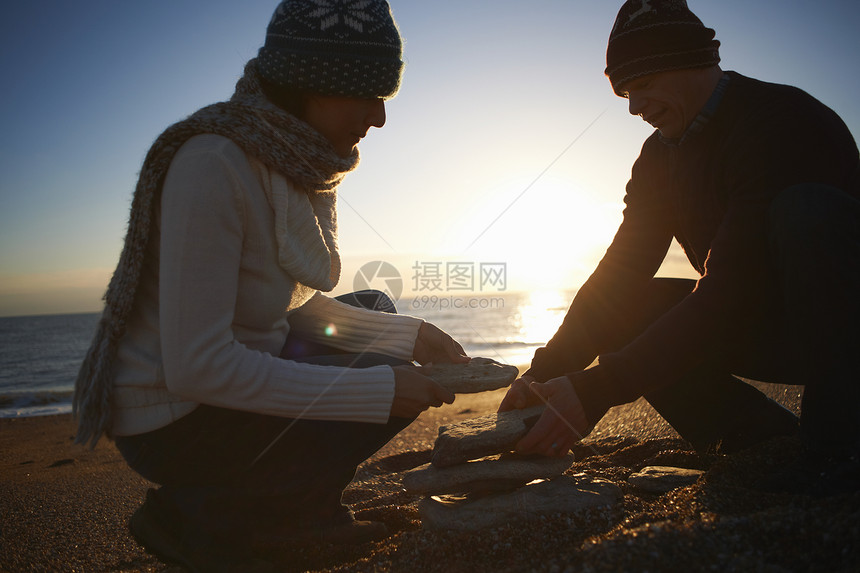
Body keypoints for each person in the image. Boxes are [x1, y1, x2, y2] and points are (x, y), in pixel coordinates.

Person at [72, 1, 467, 570]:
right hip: (176, 421)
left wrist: (408, 337)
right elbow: (198, 366)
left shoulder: (290, 159)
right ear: (313, 82)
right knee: (381, 375)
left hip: (222, 394)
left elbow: (288, 308)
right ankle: (209, 513)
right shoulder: (214, 163)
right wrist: (379, 390)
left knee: (383, 321)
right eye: (367, 92)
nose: (380, 117)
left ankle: (289, 497)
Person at [500, 0, 860, 491]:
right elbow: (619, 275)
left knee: (807, 208)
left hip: (840, 326)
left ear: (692, 62)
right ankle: (758, 442)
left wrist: (595, 391)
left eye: (642, 84)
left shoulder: (784, 121)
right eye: (624, 91)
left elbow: (731, 286)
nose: (632, 106)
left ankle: (836, 450)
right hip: (763, 324)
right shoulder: (658, 158)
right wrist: (544, 377)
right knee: (624, 306)